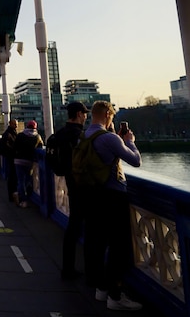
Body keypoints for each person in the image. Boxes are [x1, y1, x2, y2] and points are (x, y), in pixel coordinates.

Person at [79, 101, 143, 311]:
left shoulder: (84, 136)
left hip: (92, 195)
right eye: (112, 117)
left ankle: (101, 289)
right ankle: (115, 296)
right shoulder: (109, 138)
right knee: (119, 246)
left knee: (98, 242)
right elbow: (135, 161)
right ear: (107, 114)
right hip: (113, 196)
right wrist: (130, 141)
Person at [54, 101, 88, 280]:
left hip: (68, 181)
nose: (86, 116)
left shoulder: (60, 134)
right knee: (89, 227)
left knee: (73, 226)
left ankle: (67, 267)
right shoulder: (81, 135)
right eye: (84, 113)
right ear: (79, 114)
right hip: (85, 184)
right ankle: (92, 271)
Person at [12, 120, 43, 208]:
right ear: (35, 128)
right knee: (28, 180)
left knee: (20, 181)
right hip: (29, 162)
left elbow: (14, 147)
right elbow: (40, 146)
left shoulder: (20, 135)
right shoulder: (37, 137)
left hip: (18, 160)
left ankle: (22, 199)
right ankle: (23, 196)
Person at [0, 120, 19, 202]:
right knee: (12, 178)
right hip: (11, 158)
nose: (16, 126)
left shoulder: (12, 133)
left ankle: (14, 195)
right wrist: (14, 151)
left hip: (12, 158)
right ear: (10, 124)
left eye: (17, 124)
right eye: (15, 124)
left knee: (13, 177)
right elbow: (6, 146)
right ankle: (12, 195)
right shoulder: (8, 134)